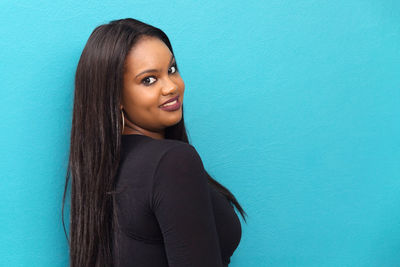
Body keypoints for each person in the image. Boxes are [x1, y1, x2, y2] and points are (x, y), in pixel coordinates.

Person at [62, 18, 248, 267]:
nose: (171, 87)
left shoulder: (103, 172)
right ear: (114, 96)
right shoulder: (172, 162)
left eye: (171, 69)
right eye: (149, 80)